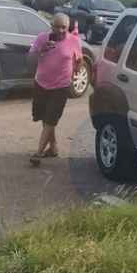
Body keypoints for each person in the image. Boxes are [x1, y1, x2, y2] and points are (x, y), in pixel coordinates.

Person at [28, 12, 82, 166]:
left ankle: (38, 153)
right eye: (57, 27)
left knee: (51, 118)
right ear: (51, 26)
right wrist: (41, 50)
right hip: (41, 84)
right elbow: (30, 59)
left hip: (61, 87)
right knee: (44, 118)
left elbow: (79, 59)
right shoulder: (41, 38)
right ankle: (53, 148)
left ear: (68, 27)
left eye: (64, 27)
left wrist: (77, 68)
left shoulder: (74, 40)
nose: (60, 30)